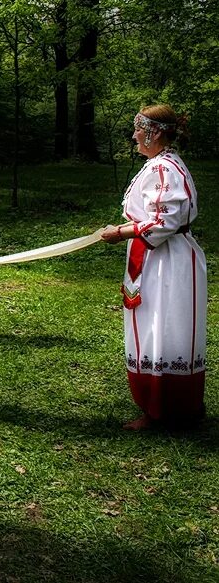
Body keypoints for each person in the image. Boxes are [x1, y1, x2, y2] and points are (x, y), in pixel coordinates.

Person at [99, 104, 206, 431]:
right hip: (158, 257)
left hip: (166, 261)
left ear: (155, 133)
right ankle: (171, 405)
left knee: (163, 328)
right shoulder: (162, 165)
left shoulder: (164, 169)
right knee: (160, 327)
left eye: (138, 129)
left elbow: (163, 220)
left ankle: (163, 409)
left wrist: (120, 232)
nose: (133, 135)